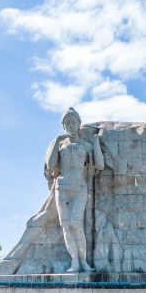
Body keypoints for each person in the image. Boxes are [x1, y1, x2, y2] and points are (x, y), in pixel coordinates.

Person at [44, 108, 103, 273]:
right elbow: (50, 166)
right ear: (63, 126)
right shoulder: (60, 144)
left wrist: (96, 142)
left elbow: (99, 165)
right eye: (67, 123)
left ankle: (83, 261)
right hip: (62, 187)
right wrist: (56, 142)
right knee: (66, 226)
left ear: (79, 124)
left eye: (73, 122)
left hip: (79, 187)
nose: (70, 125)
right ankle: (75, 261)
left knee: (76, 224)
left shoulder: (85, 145)